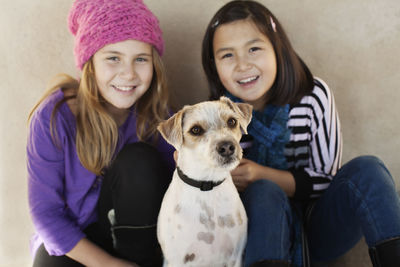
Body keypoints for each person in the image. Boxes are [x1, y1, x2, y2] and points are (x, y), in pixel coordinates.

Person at [201, 1, 400, 267]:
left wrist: (260, 173)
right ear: (213, 65)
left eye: (254, 49)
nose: (242, 64)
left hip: (319, 226)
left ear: (277, 50)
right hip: (259, 235)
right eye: (227, 55)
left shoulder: (313, 96)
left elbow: (326, 179)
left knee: (368, 169)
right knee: (263, 192)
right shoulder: (216, 115)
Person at [27, 0, 175, 266]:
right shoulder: (55, 117)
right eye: (113, 58)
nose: (128, 74)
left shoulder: (158, 115)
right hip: (75, 241)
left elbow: (181, 177)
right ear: (90, 64)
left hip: (137, 237)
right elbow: (45, 212)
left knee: (139, 160)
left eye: (141, 59)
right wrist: (107, 264)